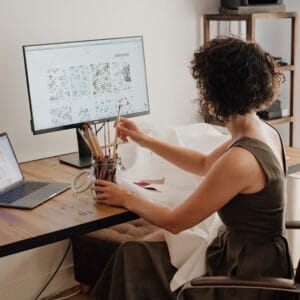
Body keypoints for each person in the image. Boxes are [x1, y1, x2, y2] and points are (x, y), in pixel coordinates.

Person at [91, 37, 294, 300]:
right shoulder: (261, 130)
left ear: (214, 94)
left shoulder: (241, 158)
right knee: (133, 253)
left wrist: (125, 198)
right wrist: (146, 140)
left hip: (246, 275)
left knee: (135, 259)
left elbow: (175, 222)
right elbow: (203, 164)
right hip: (247, 256)